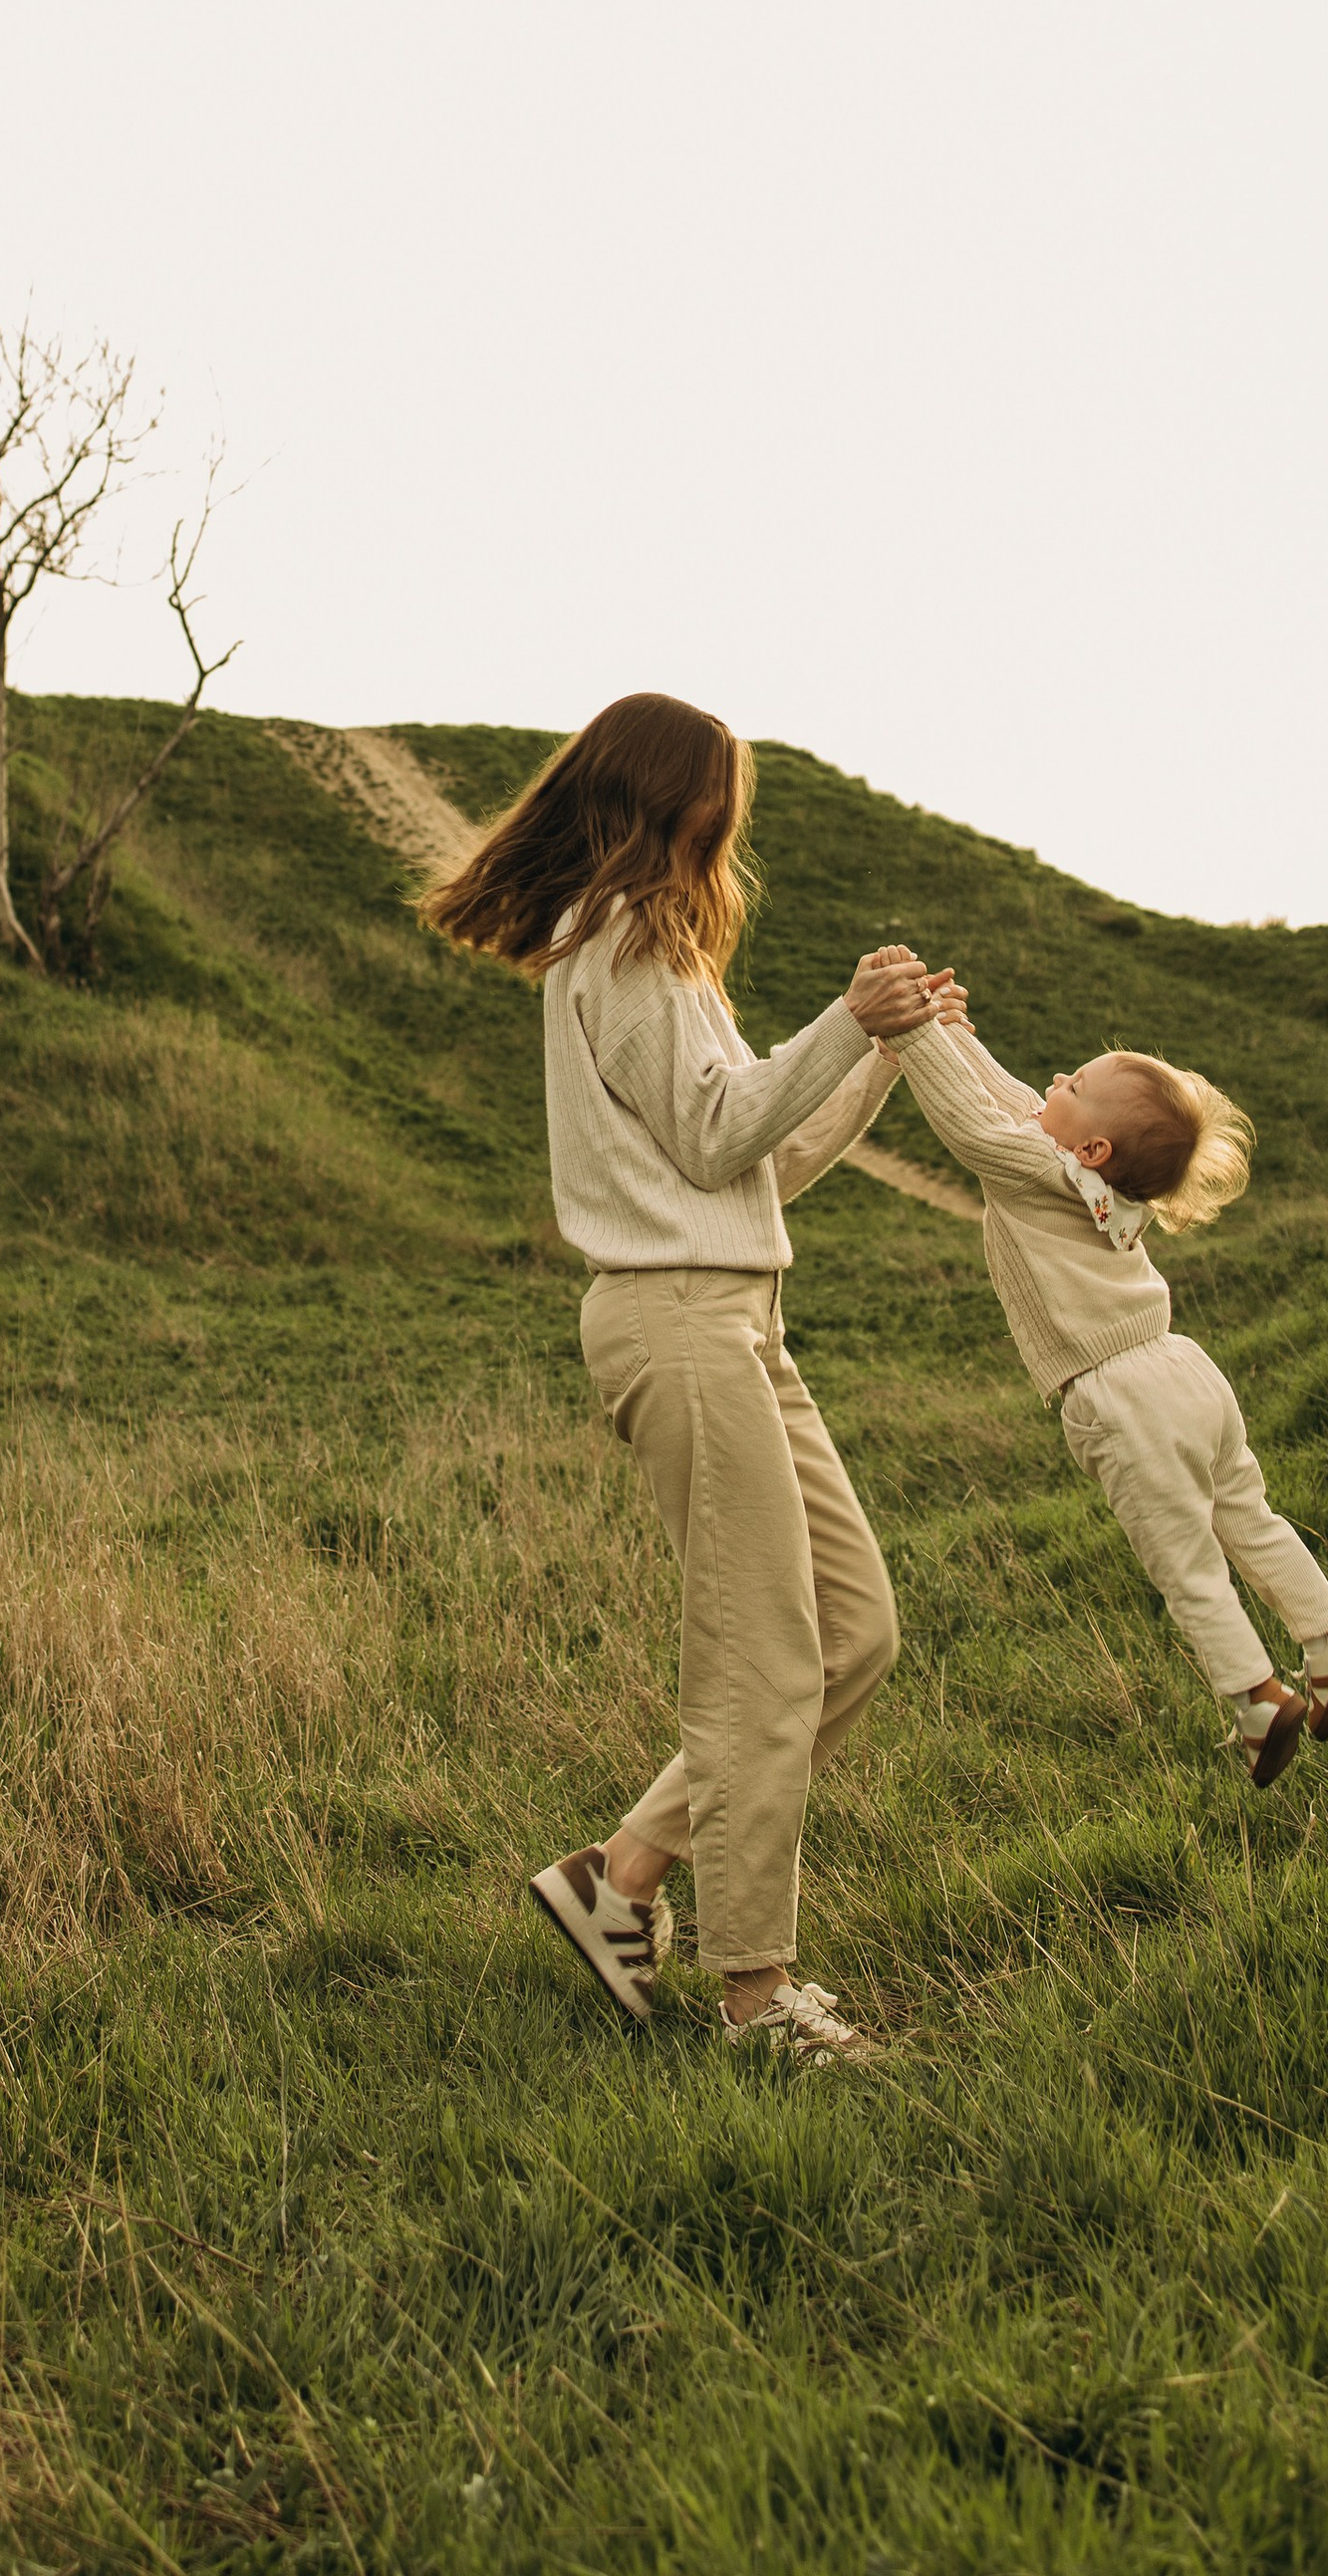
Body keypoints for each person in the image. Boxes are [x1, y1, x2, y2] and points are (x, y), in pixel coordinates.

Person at [420, 693, 942, 2064]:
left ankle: (620, 1880)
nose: (731, 825)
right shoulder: (625, 949)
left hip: (734, 1317)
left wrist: (874, 1055)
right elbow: (722, 1142)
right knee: (766, 1662)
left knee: (855, 1633)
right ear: (667, 799)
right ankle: (758, 1995)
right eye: (719, 798)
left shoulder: (654, 955)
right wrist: (841, 1017)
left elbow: (753, 1169)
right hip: (678, 1322)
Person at [884, 998, 1328, 1787]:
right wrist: (950, 1034)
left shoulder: (1040, 1170)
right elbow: (1018, 1108)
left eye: (1073, 1081)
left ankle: (1257, 1699)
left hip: (1121, 1396)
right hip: (1183, 1369)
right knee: (1246, 1517)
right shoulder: (1093, 1179)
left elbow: (976, 1129)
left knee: (1186, 1564)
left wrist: (909, 1032)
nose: (1053, 1079)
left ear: (1095, 1143)